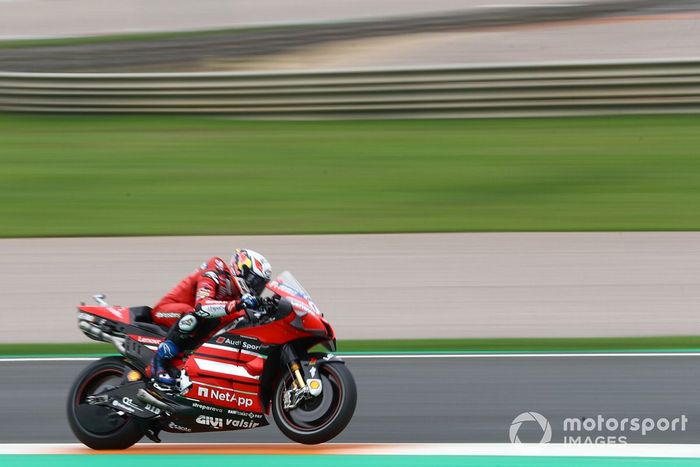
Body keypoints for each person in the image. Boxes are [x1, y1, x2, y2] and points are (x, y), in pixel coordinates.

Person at [150, 249, 272, 388]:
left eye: (261, 284)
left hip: (195, 318)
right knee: (195, 315)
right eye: (254, 281)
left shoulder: (238, 294)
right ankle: (158, 362)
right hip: (166, 310)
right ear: (240, 271)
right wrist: (238, 304)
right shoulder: (214, 273)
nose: (256, 287)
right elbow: (202, 307)